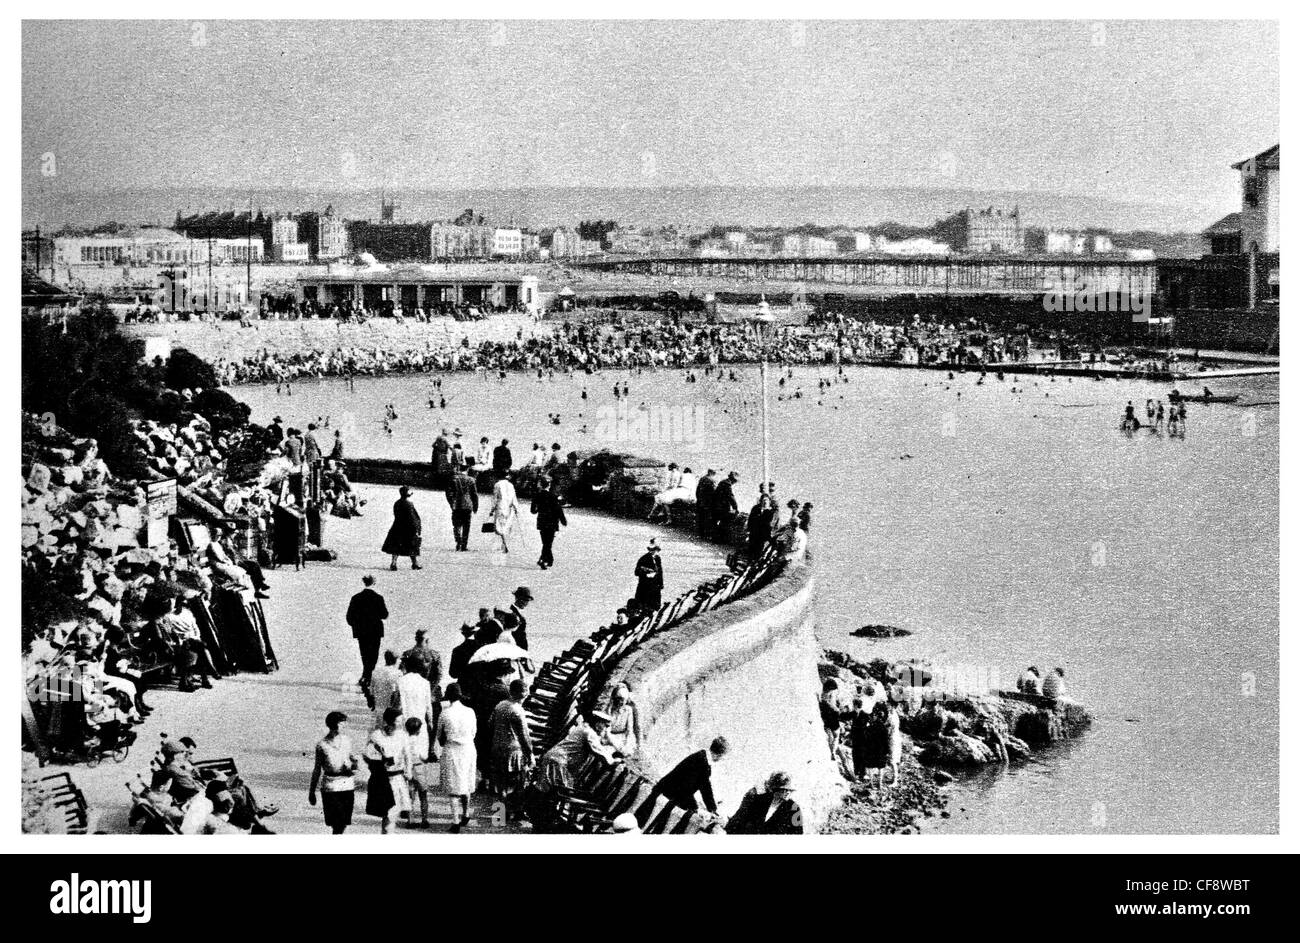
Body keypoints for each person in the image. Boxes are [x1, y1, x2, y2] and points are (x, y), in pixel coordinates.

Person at [489, 679, 534, 822]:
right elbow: (524, 737)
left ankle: (500, 815)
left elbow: (490, 723)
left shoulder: (499, 705)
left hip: (497, 748)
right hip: (514, 751)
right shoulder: (517, 710)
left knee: (500, 784)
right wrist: (530, 754)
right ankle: (517, 811)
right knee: (519, 782)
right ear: (523, 694)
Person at [435, 683, 478, 831]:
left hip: (452, 749)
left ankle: (455, 820)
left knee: (453, 785)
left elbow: (439, 736)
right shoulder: (470, 712)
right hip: (468, 748)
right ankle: (466, 813)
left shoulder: (444, 713)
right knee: (465, 782)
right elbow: (474, 733)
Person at [538, 712, 620, 790]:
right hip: (558, 762)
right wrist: (613, 761)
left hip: (554, 758)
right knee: (560, 791)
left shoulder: (583, 727)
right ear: (597, 724)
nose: (606, 729)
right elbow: (600, 752)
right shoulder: (589, 733)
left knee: (546, 789)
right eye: (605, 726)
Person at [308, 710, 359, 834]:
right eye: (342, 724)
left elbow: (353, 760)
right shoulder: (322, 745)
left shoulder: (347, 740)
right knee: (337, 824)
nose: (344, 726)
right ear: (333, 725)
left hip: (347, 785)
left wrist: (354, 765)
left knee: (343, 823)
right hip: (330, 787)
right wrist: (312, 791)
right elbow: (317, 769)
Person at [365, 708, 411, 834]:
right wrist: (380, 761)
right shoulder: (376, 735)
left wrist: (409, 771)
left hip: (398, 778)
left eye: (402, 720)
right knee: (388, 815)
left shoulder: (402, 735)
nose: (401, 723)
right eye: (398, 721)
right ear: (389, 721)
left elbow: (407, 755)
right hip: (383, 779)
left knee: (392, 816)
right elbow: (367, 755)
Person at [654, 736, 729, 814]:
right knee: (692, 813)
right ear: (718, 754)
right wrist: (696, 807)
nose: (721, 759)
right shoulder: (702, 762)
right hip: (669, 791)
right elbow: (692, 787)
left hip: (670, 788)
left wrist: (712, 808)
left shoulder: (701, 757)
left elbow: (705, 787)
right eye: (722, 757)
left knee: (692, 810)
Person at [346, 575, 388, 702]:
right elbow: (384, 615)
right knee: (373, 654)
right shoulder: (378, 598)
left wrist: (356, 625)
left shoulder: (356, 598)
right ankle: (368, 676)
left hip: (362, 632)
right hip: (375, 631)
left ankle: (366, 675)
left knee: (364, 653)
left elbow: (349, 617)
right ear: (374, 583)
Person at [725, 771, 804, 834]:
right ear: (775, 789)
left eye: (790, 790)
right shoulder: (758, 801)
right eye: (784, 790)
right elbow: (739, 821)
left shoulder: (794, 808)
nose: (787, 792)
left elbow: (797, 834)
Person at [530, 476, 568, 570]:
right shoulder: (553, 496)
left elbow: (533, 511)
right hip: (552, 522)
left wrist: (539, 508)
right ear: (549, 485)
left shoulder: (537, 496)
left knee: (545, 542)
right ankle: (544, 560)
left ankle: (547, 559)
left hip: (542, 522)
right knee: (548, 543)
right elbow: (558, 510)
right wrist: (563, 521)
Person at [381, 485, 423, 570]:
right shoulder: (409, 504)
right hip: (408, 528)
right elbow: (413, 518)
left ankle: (393, 563)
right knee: (412, 546)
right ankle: (415, 564)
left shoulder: (397, 503)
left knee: (396, 547)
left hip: (397, 526)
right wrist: (417, 528)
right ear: (406, 493)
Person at [446, 459, 480, 552]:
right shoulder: (471, 480)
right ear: (467, 469)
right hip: (467, 505)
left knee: (456, 524)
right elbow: (474, 495)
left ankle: (458, 541)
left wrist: (451, 503)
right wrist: (475, 506)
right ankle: (464, 545)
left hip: (456, 504)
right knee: (466, 525)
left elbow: (448, 493)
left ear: (459, 468)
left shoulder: (453, 478)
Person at [605, 682, 642, 756]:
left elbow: (629, 730)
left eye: (624, 699)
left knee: (627, 750)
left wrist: (627, 744)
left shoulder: (628, 710)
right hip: (611, 738)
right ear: (615, 698)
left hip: (622, 737)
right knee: (609, 751)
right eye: (619, 699)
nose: (621, 702)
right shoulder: (610, 710)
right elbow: (607, 731)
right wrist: (618, 746)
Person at [490, 473, 521, 553]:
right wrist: (516, 508)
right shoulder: (511, 485)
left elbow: (495, 498)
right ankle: (503, 545)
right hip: (509, 507)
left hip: (500, 506)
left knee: (499, 526)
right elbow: (514, 497)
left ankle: (504, 544)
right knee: (506, 525)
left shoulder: (497, 485)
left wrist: (492, 509)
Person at [369, 650, 402, 724]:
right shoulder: (397, 673)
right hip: (391, 710)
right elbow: (396, 693)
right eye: (399, 659)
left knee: (379, 728)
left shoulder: (376, 672)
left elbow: (371, 692)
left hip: (379, 708)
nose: (400, 661)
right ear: (395, 659)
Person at [633, 539, 664, 612]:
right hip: (645, 587)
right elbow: (636, 572)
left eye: (655, 550)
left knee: (655, 606)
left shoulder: (658, 559)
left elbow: (660, 572)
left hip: (655, 587)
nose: (653, 551)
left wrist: (661, 584)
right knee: (644, 606)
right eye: (651, 549)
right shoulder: (643, 559)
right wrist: (646, 574)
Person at [712, 471, 739, 542]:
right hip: (721, 506)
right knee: (724, 522)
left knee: (717, 522)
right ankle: (719, 539)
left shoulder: (723, 482)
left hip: (716, 505)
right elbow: (730, 496)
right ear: (733, 480)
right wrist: (735, 507)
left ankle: (716, 538)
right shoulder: (727, 484)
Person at [506, 586, 532, 650]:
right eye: (525, 600)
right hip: (514, 648)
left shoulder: (517, 613)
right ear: (518, 599)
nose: (526, 603)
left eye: (527, 600)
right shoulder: (511, 612)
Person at [695, 469, 718, 538]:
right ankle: (707, 535)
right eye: (714, 473)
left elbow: (697, 490)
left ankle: (700, 534)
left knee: (700, 518)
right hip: (708, 503)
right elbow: (715, 493)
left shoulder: (702, 478)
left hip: (700, 501)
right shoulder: (712, 481)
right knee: (707, 518)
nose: (715, 474)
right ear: (711, 473)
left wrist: (698, 499)